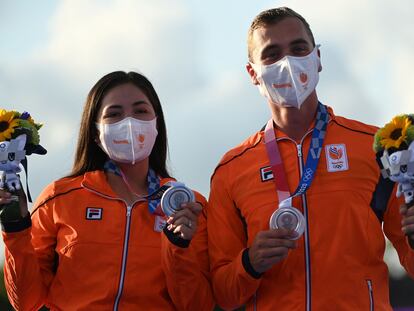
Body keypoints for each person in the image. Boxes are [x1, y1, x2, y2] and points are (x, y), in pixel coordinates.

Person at [207, 7, 414, 311]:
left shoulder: (375, 148)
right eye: (272, 54)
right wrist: (249, 264)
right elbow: (223, 294)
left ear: (317, 59)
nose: (287, 61)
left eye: (298, 48)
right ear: (253, 73)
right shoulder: (232, 170)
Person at [1, 71, 214, 310]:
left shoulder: (188, 205)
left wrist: (178, 247)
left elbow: (199, 305)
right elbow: (25, 302)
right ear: (94, 132)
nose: (129, 122)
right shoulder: (58, 198)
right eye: (114, 114)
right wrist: (15, 227)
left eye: (140, 111)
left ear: (157, 123)